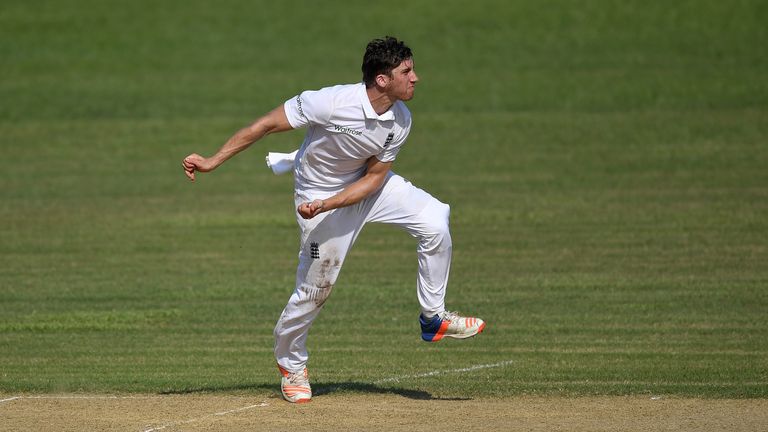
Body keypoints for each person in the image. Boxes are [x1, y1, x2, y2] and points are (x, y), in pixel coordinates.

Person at [182, 36, 485, 403]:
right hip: (315, 192)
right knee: (314, 291)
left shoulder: (400, 120)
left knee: (435, 218)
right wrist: (214, 160)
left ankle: (433, 318)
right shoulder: (328, 102)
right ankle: (291, 364)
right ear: (382, 79)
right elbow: (263, 126)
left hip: (360, 190)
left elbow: (374, 179)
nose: (415, 78)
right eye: (407, 71)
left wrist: (332, 203)